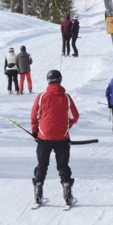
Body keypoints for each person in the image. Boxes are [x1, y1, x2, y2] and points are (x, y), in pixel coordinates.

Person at [31, 69, 79, 206]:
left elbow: (34, 116)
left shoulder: (41, 97)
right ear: (60, 80)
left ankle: (38, 187)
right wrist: (66, 126)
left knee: (42, 164)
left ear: (48, 80)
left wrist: (35, 131)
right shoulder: (67, 97)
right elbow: (74, 117)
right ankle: (67, 188)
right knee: (62, 165)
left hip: (44, 136)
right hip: (62, 137)